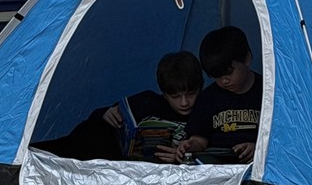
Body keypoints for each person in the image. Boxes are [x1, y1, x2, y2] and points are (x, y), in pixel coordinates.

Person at [176, 27, 262, 164]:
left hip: (257, 166)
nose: (224, 81)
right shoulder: (208, 98)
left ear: (247, 58)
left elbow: (282, 139)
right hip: (216, 167)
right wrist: (190, 145)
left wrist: (258, 149)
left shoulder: (268, 92)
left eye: (229, 73)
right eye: (217, 76)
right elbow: (200, 139)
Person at [102, 50, 202, 163]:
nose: (184, 103)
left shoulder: (208, 110)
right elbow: (108, 117)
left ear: (200, 88)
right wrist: (104, 114)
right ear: (164, 94)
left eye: (191, 94)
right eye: (175, 97)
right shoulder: (147, 102)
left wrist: (182, 158)